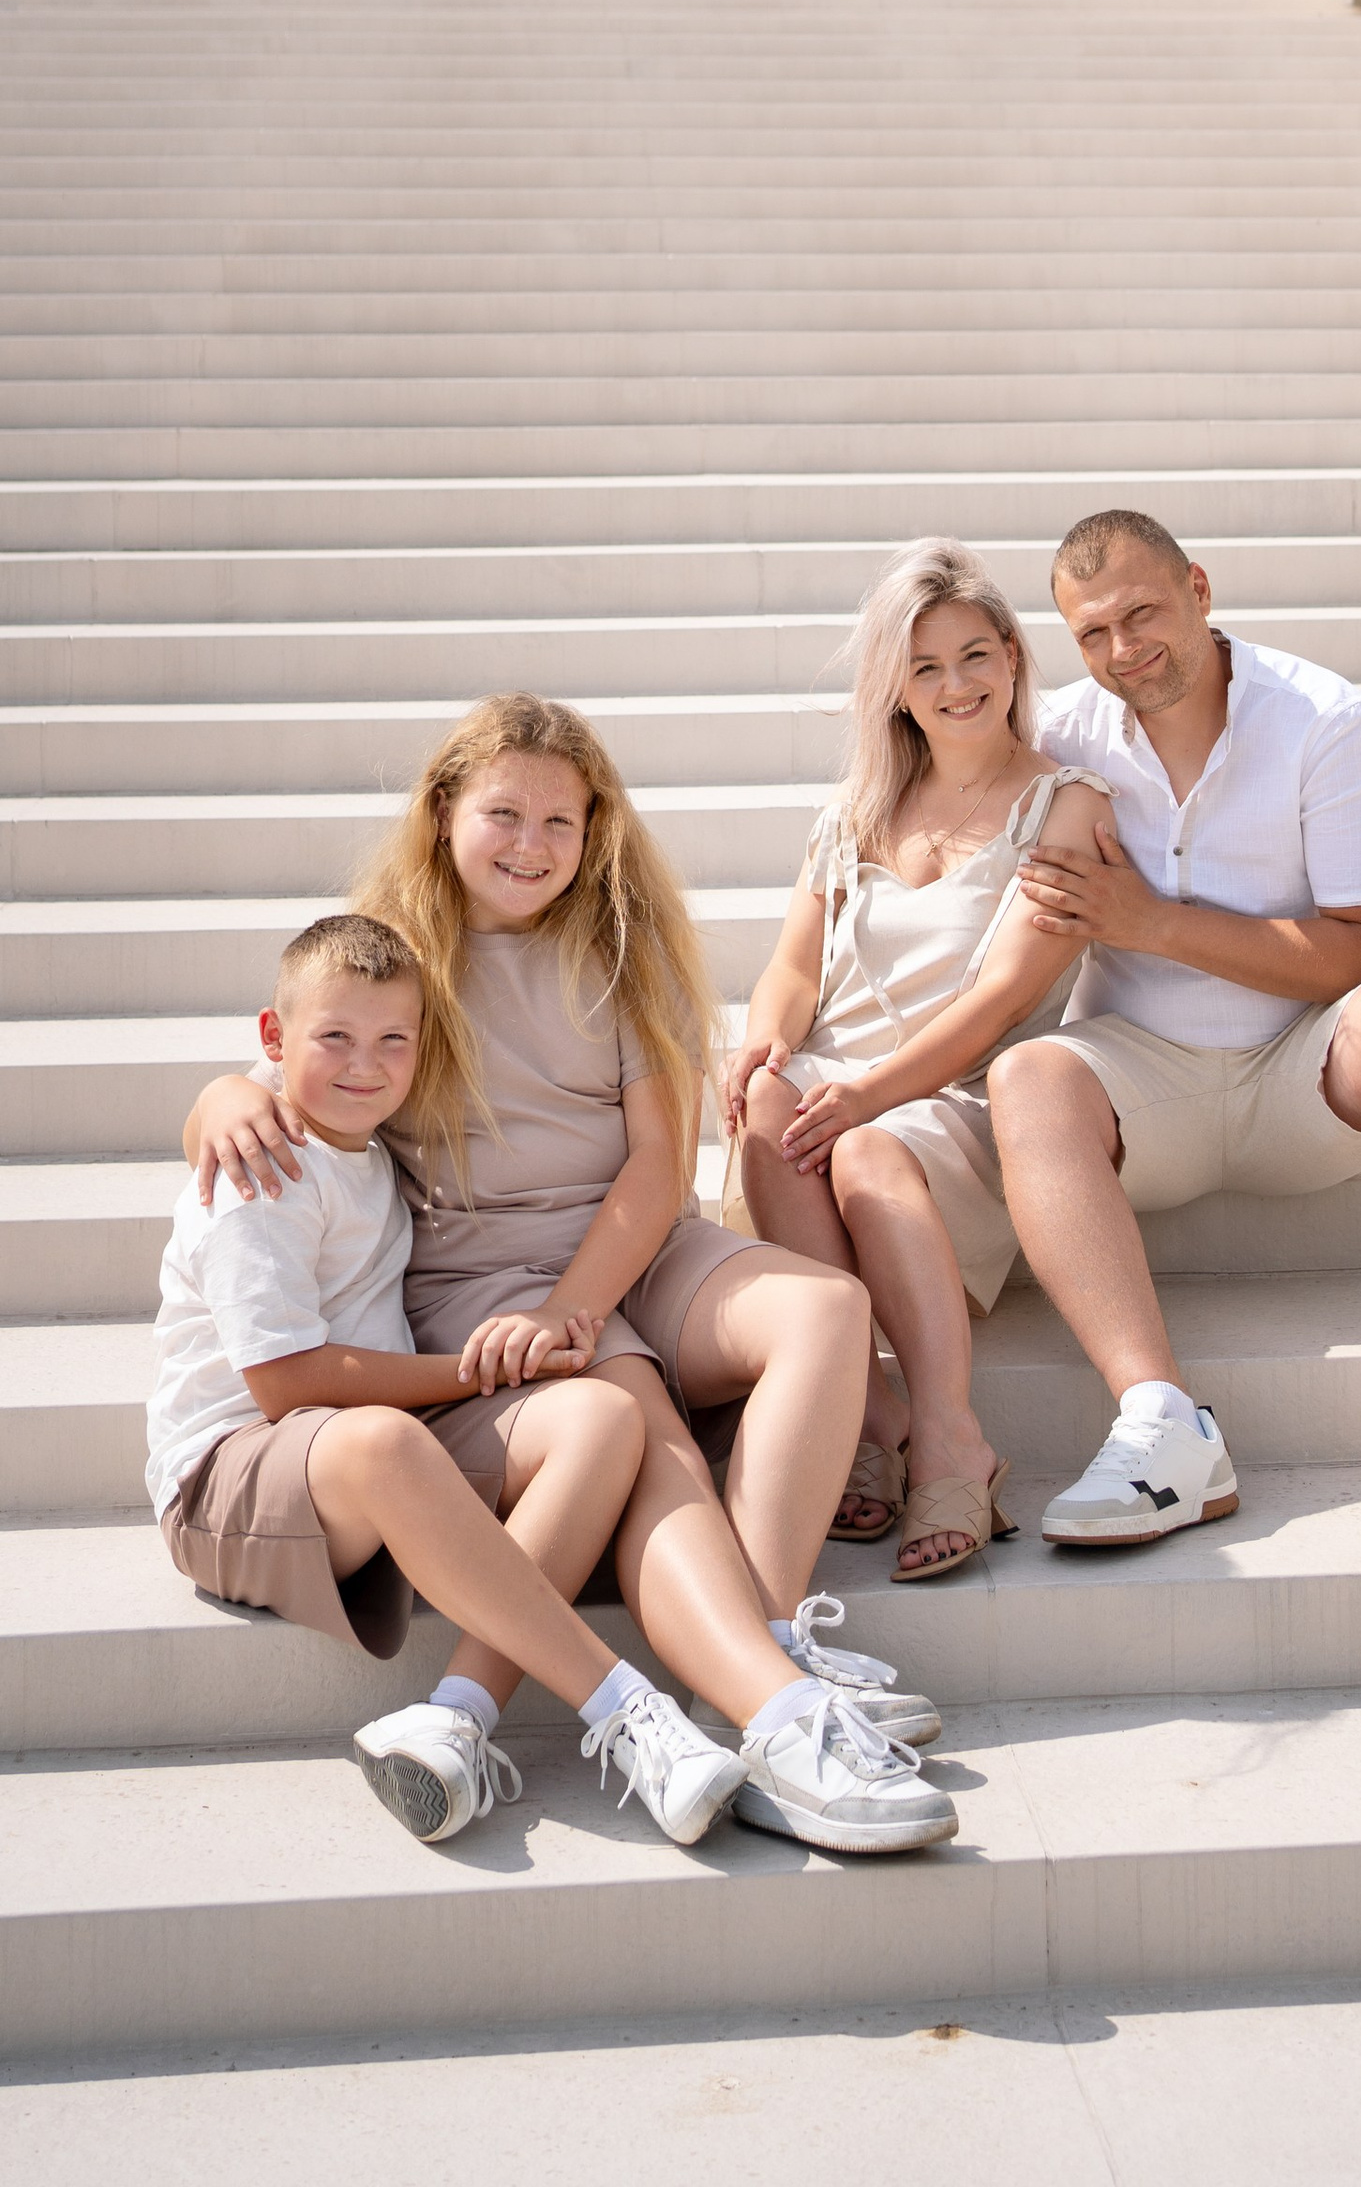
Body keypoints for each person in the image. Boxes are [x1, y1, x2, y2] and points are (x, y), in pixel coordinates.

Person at [181, 695, 957, 1855]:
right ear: (444, 813)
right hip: (476, 1267)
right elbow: (300, 1062)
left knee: (826, 1309)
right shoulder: (399, 944)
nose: (531, 845)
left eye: (562, 819)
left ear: (597, 830)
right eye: (503, 813)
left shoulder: (622, 942)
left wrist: (578, 1306)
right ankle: (773, 1714)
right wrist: (221, 1095)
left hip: (627, 1245)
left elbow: (657, 1166)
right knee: (636, 1420)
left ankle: (768, 1643)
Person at [988, 509, 1361, 1544]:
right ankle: (1161, 1422)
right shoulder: (1059, 740)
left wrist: (1157, 925)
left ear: (1199, 591)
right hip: (1145, 1090)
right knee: (1029, 1076)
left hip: (1300, 1078)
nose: (1122, 650)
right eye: (1091, 633)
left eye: (1141, 613)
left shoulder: (1322, 717)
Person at [148, 906, 750, 1850]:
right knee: (387, 1439)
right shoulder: (260, 1165)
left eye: (394, 1041)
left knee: (598, 1415)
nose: (364, 1064)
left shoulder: (377, 1148)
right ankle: (629, 1713)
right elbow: (283, 1387)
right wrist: (467, 1378)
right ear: (274, 1039)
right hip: (230, 1479)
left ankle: (458, 1716)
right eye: (335, 1038)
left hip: (358, 1455)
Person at [725, 542, 1111, 1581]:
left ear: (1014, 662)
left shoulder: (1065, 806)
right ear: (894, 688)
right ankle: (868, 1408)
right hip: (841, 1089)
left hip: (965, 1099)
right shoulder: (851, 812)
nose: (957, 685)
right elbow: (791, 971)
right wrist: (764, 1038)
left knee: (860, 1150)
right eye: (927, 666)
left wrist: (865, 1095)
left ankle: (947, 1435)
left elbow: (1004, 1001)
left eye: (977, 656)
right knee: (768, 1105)